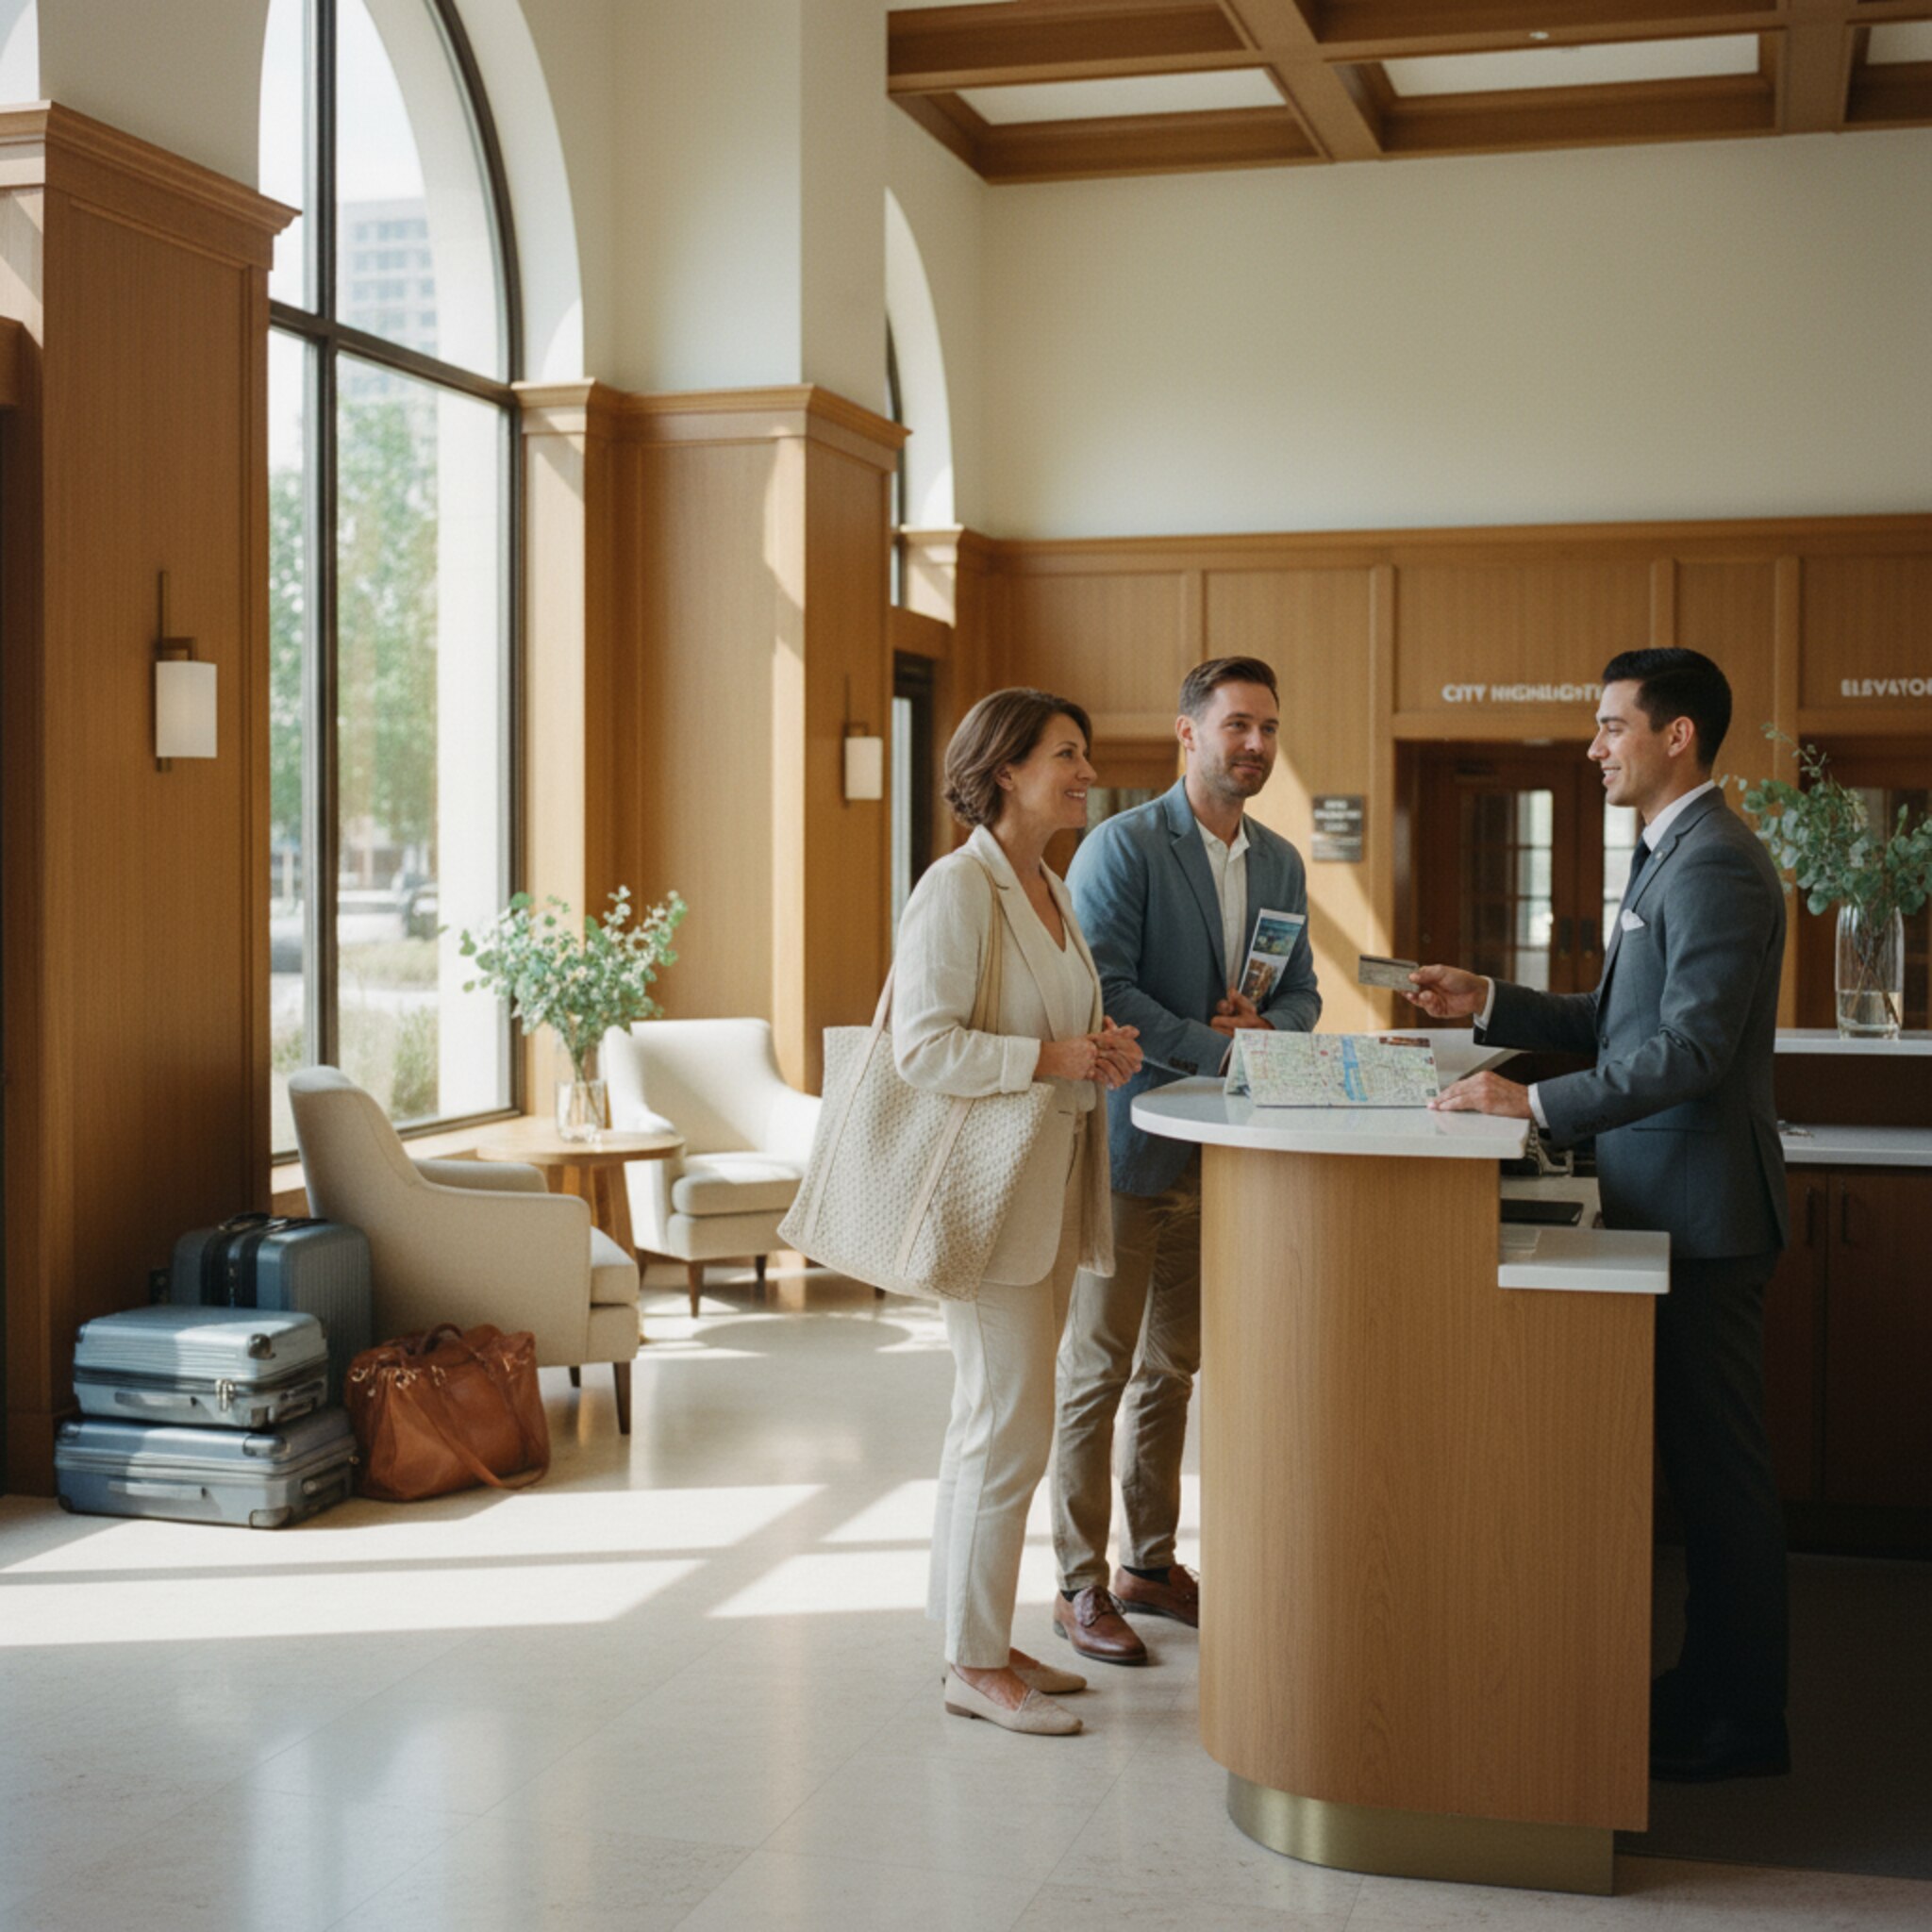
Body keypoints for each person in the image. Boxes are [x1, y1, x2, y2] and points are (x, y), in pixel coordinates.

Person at [1407, 646, 1791, 1784]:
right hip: (1660, 1200)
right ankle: (1703, 1686)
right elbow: (1618, 1015)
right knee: (1690, 1463)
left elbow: (1689, 1048)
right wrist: (1492, 1003)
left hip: (1706, 1214)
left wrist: (1534, 1099)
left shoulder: (1712, 860)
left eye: (1611, 725)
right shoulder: (1667, 853)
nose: (1592, 746)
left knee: (1719, 1474)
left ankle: (1744, 1719)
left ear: (1675, 735)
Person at [1052, 657, 1320, 1665]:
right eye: (1237, 725)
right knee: (1096, 1369)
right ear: (1186, 733)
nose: (1254, 745)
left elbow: (1302, 994)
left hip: (1219, 1157)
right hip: (1124, 1147)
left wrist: (1270, 1025)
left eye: (1268, 728)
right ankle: (1077, 1583)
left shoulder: (1282, 863)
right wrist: (1229, 1049)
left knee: (1174, 1367)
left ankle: (1147, 1564)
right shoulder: (1120, 849)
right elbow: (1106, 993)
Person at [894, 687, 1143, 1737]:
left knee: (990, 1423)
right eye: (1064, 754)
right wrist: (1051, 1057)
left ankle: (974, 1637)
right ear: (1004, 770)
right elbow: (922, 1045)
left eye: (1082, 755)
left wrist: (1101, 1047)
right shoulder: (957, 888)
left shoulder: (1048, 886)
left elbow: (1055, 1026)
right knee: (1007, 1428)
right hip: (988, 1202)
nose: (1085, 771)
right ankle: (970, 1659)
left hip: (1044, 1193)